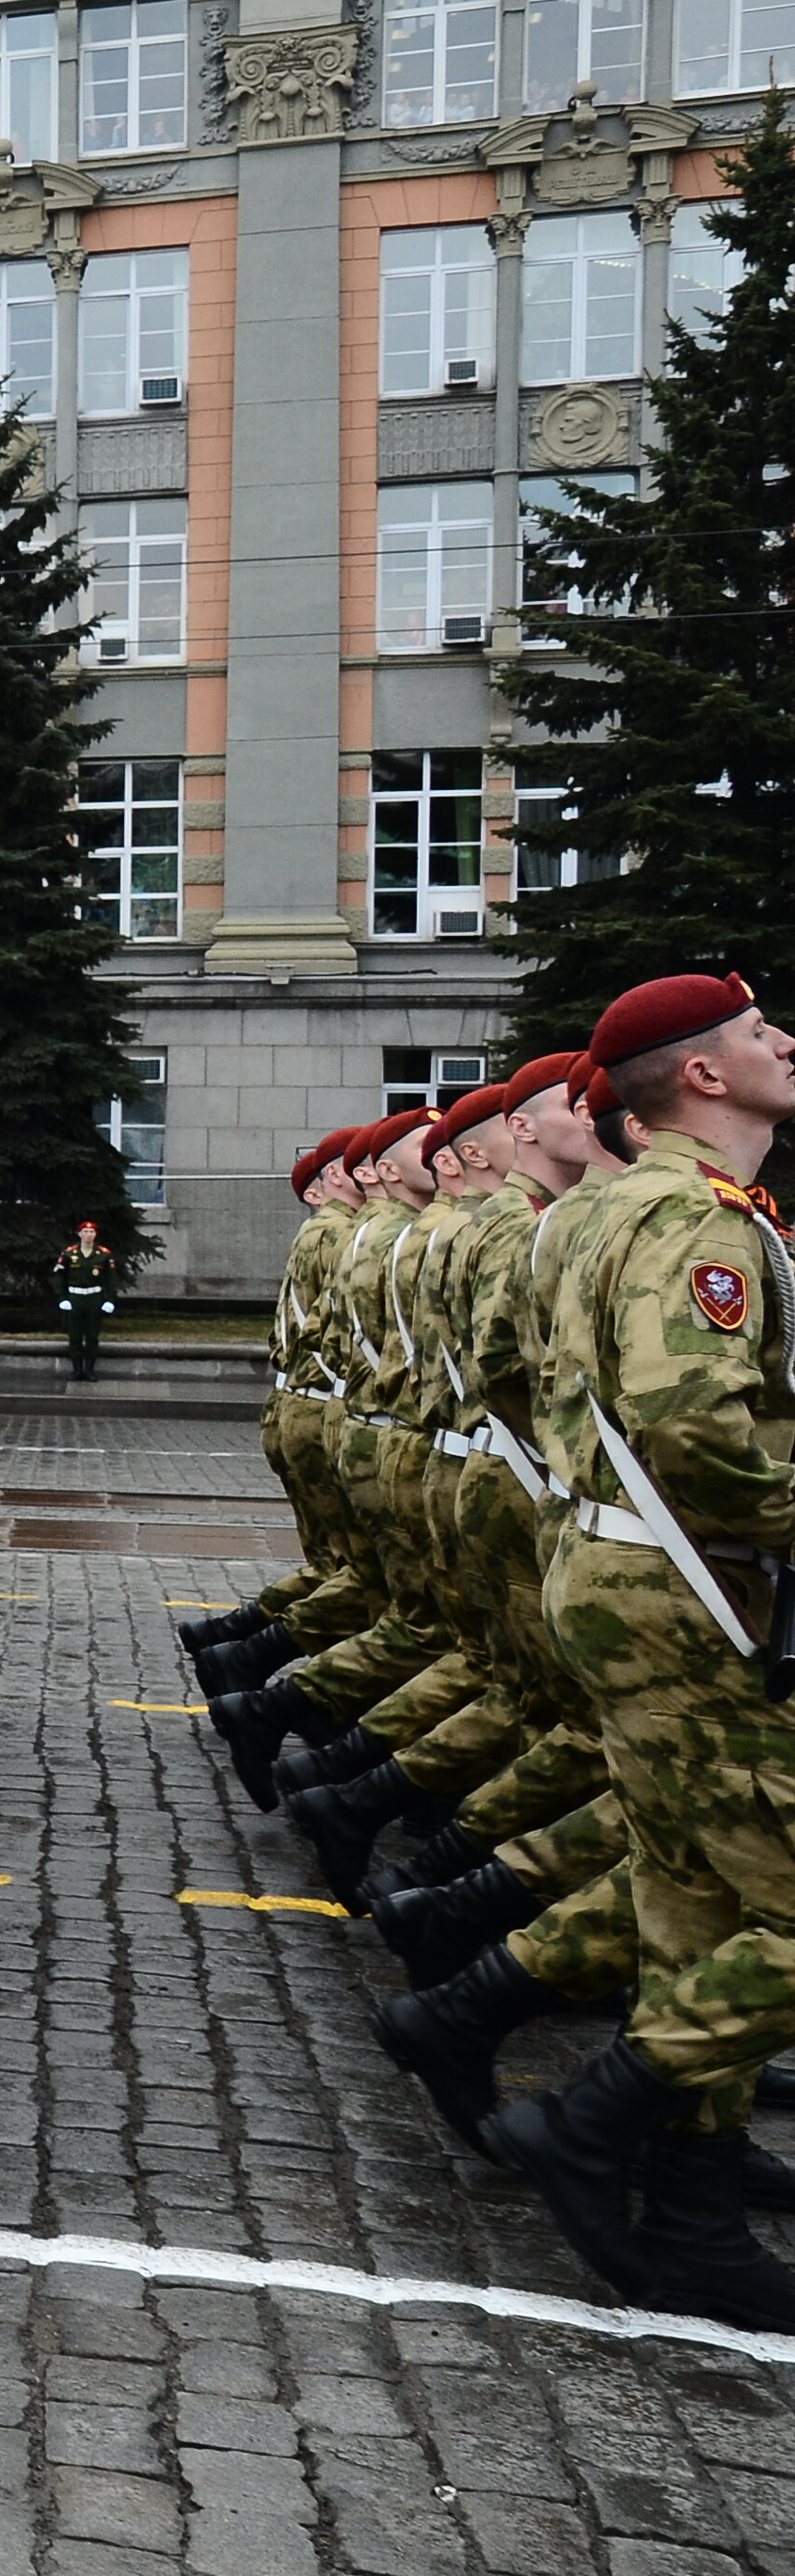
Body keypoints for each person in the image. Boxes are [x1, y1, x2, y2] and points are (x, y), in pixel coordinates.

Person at [481, 972, 795, 2330]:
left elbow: (499, 1367)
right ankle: (596, 2120)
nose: (783, 1039)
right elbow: (695, 1428)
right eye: (757, 1031)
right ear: (706, 1079)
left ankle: (699, 2212)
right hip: (690, 1586)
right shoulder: (686, 1217)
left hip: (617, 1567)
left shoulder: (590, 1212)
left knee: (695, 1902)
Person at [54, 1219, 123, 1383]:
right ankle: (77, 1370)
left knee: (92, 1336)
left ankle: (89, 1370)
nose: (88, 1235)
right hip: (75, 1297)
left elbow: (111, 1279)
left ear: (95, 1234)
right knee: (75, 1336)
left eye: (91, 1232)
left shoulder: (104, 1254)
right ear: (79, 1234)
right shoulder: (69, 1254)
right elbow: (58, 1276)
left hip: (94, 1298)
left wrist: (110, 1300)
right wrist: (62, 1298)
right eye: (85, 1232)